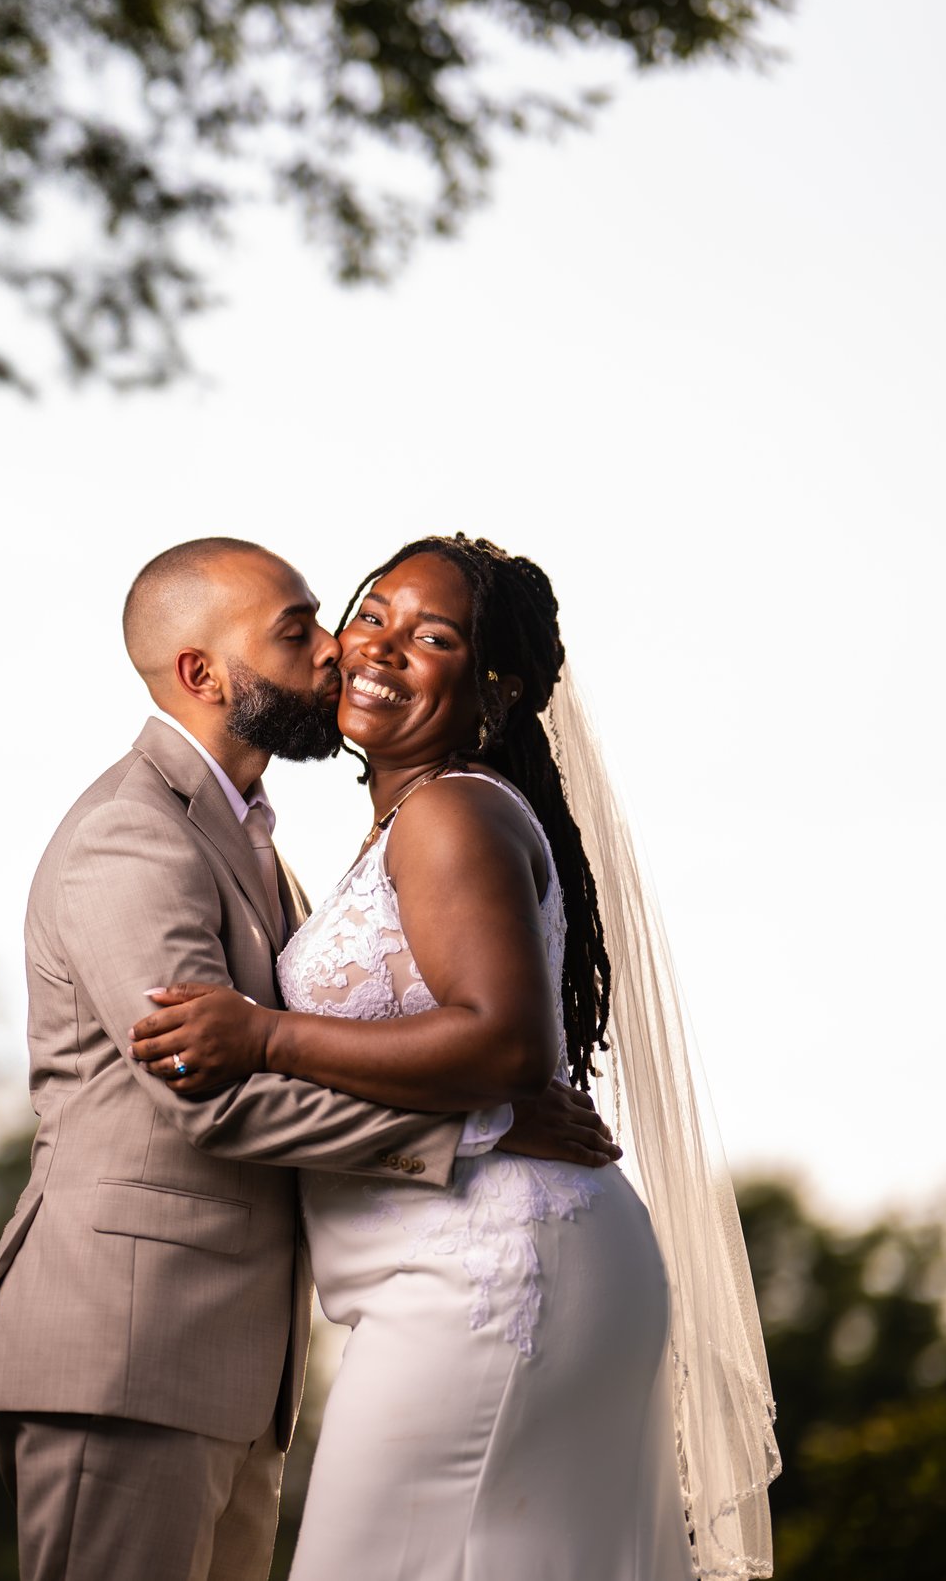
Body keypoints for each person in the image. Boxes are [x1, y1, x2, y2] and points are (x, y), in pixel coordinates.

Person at [0, 537, 619, 1581]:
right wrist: (466, 1129)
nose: (338, 648)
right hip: (125, 1347)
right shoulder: (135, 836)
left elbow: (291, 1053)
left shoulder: (269, 851)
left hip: (240, 1367)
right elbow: (210, 1097)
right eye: (297, 630)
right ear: (204, 674)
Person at [130, 534, 776, 1580]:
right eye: (371, 613)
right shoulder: (410, 819)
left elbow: (505, 1040)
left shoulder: (449, 812)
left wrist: (261, 1033)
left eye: (433, 636)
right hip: (477, 1260)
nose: (381, 648)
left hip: (483, 1275)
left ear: (495, 685)